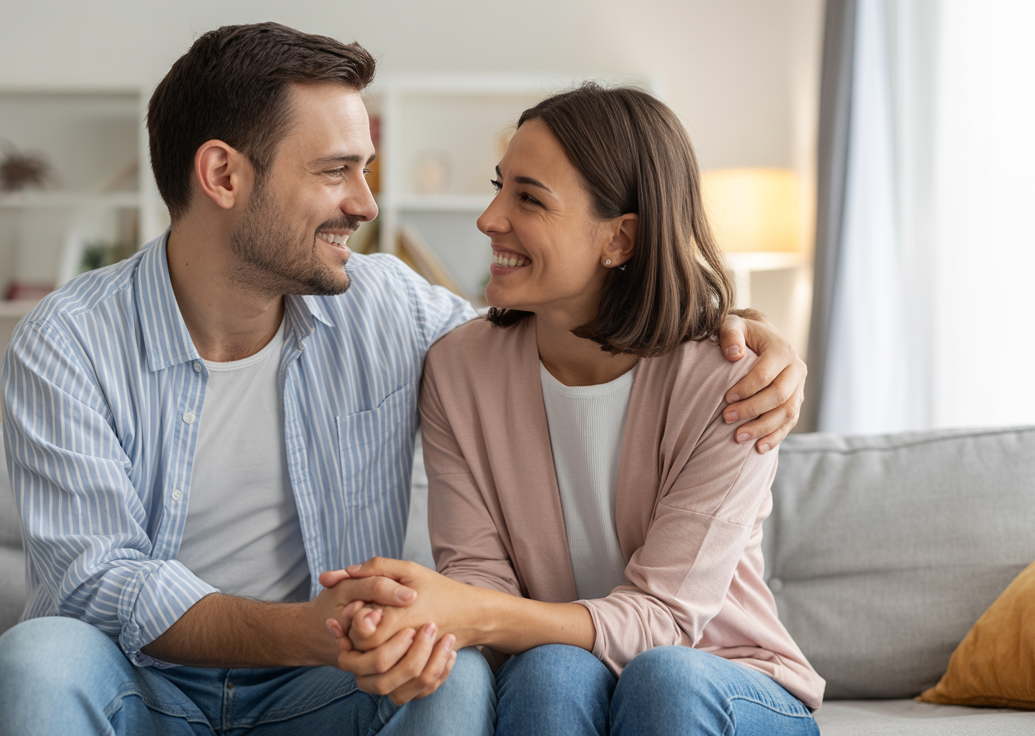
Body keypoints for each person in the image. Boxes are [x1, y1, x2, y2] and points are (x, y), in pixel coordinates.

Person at [0, 22, 810, 736]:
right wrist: (311, 631)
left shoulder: (395, 313)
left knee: (455, 680)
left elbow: (554, 329)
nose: (366, 204)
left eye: (364, 168)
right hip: (143, 676)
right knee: (32, 660)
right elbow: (96, 581)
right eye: (336, 170)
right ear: (222, 175)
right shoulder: (68, 341)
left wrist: (749, 335)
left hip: (331, 683)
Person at [331, 85, 824, 736]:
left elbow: (667, 623)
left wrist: (468, 611)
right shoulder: (458, 368)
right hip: (564, 665)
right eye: (498, 186)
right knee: (547, 671)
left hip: (729, 677)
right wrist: (426, 609)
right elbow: (479, 579)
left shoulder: (732, 383)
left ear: (620, 239)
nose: (489, 218)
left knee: (665, 678)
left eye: (529, 198)